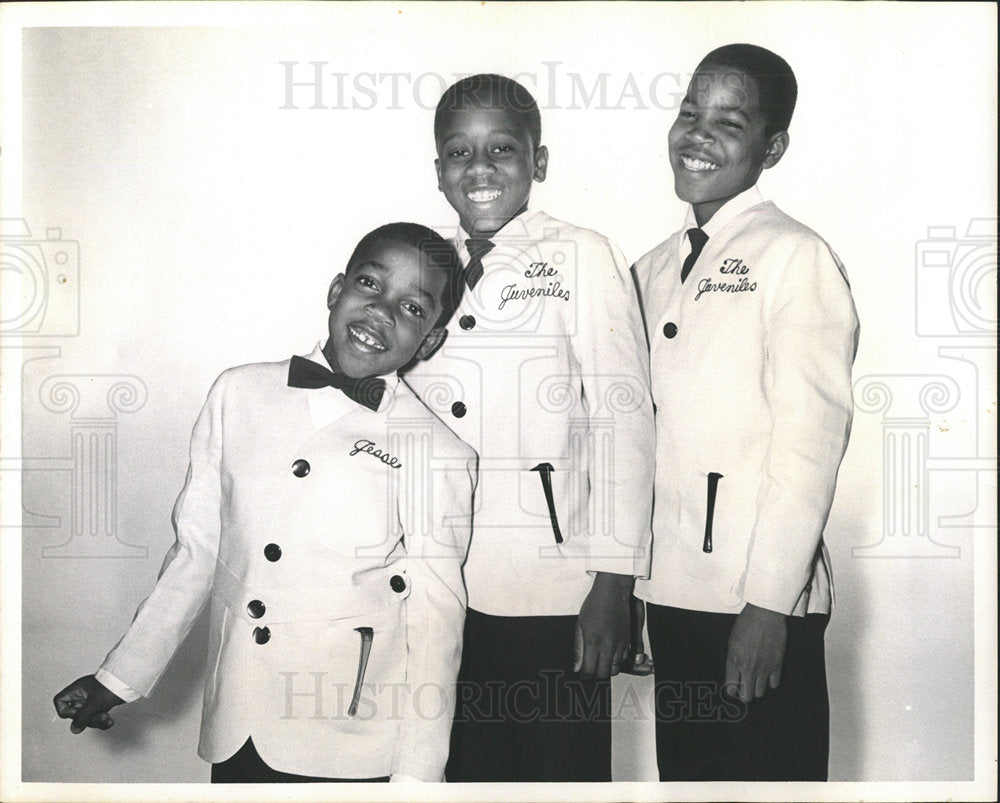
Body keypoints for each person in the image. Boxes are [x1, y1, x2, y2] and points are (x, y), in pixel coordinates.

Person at [53, 223, 478, 783]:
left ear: (428, 343)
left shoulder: (439, 453)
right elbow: (197, 553)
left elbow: (437, 622)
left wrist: (418, 778)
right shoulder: (237, 393)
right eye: (370, 284)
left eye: (412, 308)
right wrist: (121, 676)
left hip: (349, 738)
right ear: (335, 290)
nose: (381, 311)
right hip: (237, 717)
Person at [404, 73, 655, 782]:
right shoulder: (421, 263)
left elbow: (624, 417)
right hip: (436, 578)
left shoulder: (581, 254)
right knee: (462, 769)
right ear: (438, 170)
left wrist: (615, 580)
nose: (479, 168)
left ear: (538, 163)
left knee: (557, 773)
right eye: (459, 152)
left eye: (502, 149)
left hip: (553, 584)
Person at [632, 44, 860, 781]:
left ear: (774, 146)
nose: (698, 135)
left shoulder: (796, 256)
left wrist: (768, 607)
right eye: (689, 113)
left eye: (729, 121)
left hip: (755, 602)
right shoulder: (650, 267)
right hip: (672, 595)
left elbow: (811, 444)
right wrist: (636, 591)